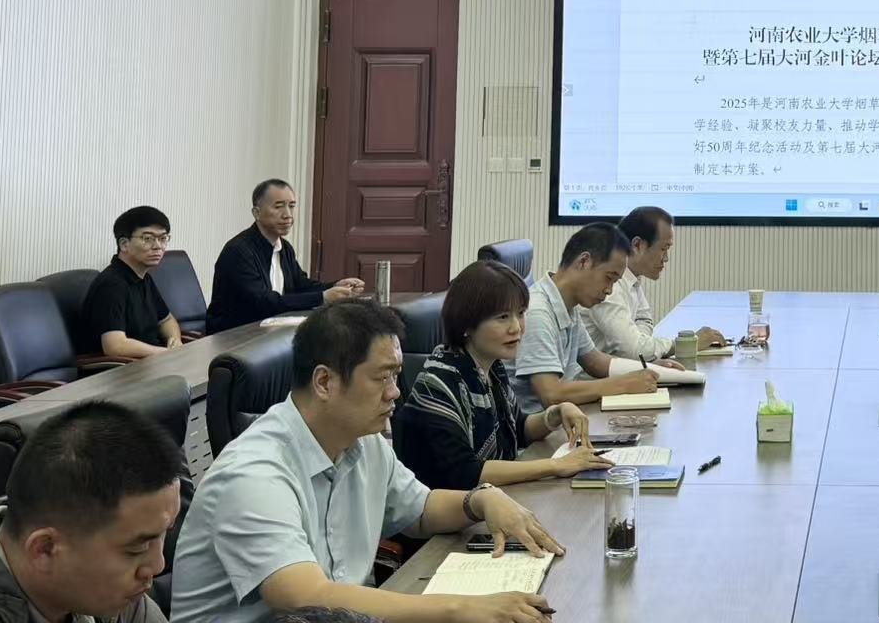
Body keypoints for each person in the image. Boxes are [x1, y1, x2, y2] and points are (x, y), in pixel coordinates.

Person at [173, 299, 563, 623]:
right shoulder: (254, 473)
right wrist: (462, 608)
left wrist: (480, 500)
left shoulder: (364, 441)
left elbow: (420, 510)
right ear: (324, 382)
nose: (395, 392)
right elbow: (304, 597)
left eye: (396, 376)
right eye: (382, 378)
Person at [394, 260, 612, 490]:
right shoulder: (439, 383)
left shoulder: (491, 367)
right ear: (466, 323)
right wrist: (556, 465)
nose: (516, 327)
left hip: (490, 497)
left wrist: (555, 414)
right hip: (453, 507)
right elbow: (466, 472)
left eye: (520, 313)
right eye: (502, 317)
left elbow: (518, 428)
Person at [0, 401, 184, 623]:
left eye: (165, 533)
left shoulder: (113, 595)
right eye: (137, 549)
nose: (157, 566)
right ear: (45, 549)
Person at [512, 223, 661, 413]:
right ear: (584, 262)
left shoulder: (568, 305)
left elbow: (595, 362)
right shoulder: (537, 312)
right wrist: (624, 384)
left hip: (567, 416)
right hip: (540, 426)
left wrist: (649, 369)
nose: (609, 290)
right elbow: (551, 394)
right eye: (609, 278)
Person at [206, 180, 364, 333]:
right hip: (234, 335)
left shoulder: (284, 247)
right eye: (278, 206)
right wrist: (322, 297)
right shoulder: (238, 251)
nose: (288, 215)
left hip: (270, 330)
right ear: (256, 213)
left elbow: (300, 285)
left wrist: (335, 286)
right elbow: (261, 302)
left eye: (291, 206)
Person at [580, 207, 723, 360]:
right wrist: (685, 344)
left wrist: (639, 344)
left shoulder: (631, 277)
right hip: (590, 374)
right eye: (663, 249)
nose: (666, 258)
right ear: (637, 245)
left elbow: (644, 321)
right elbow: (635, 350)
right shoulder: (609, 283)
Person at [79, 206, 182, 358]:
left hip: (152, 361)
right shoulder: (111, 285)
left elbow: (166, 320)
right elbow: (115, 346)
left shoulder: (144, 277)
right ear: (124, 244)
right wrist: (164, 353)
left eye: (163, 238)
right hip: (123, 368)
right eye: (148, 239)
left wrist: (175, 340)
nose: (158, 246)